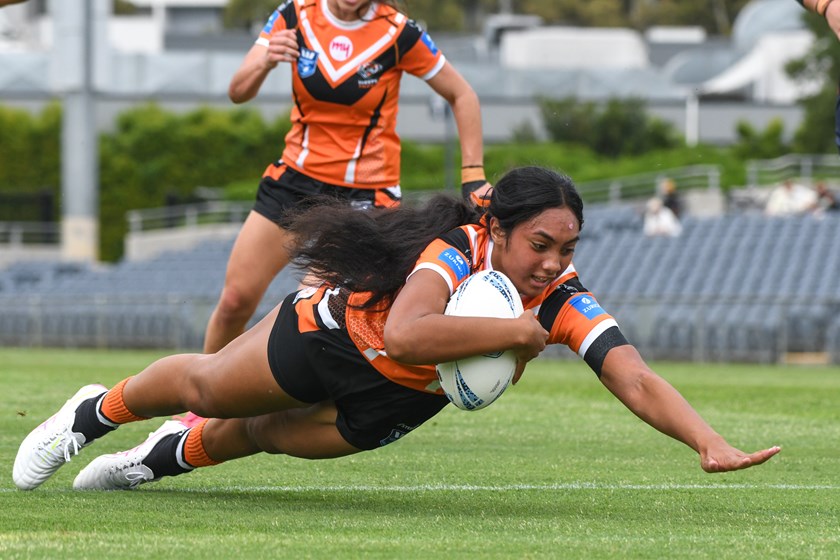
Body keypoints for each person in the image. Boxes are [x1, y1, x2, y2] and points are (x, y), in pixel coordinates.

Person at [13, 166, 780, 492]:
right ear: (499, 230)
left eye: (567, 248)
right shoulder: (457, 252)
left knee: (266, 436)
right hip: (333, 336)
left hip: (398, 401)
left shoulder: (557, 295)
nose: (553, 263)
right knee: (211, 386)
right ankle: (92, 413)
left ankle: (159, 460)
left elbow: (632, 373)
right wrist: (512, 334)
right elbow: (411, 335)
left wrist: (705, 440)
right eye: (540, 245)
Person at [175, 0, 491, 427]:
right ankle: (199, 402)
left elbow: (462, 94)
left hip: (365, 195)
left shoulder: (398, 32)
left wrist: (473, 176)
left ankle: (256, 413)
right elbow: (237, 91)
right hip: (293, 181)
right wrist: (266, 59)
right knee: (234, 300)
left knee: (310, 313)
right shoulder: (294, 16)